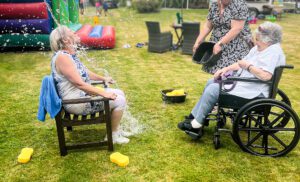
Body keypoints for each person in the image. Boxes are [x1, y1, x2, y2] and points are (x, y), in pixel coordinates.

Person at [179, 22, 285, 136]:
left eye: (258, 40)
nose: (255, 42)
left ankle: (196, 124)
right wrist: (225, 69)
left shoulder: (273, 52)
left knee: (214, 89)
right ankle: (196, 116)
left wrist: (248, 67)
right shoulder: (260, 48)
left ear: (268, 41)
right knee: (212, 81)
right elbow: (241, 63)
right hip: (247, 84)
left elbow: (266, 76)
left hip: (253, 91)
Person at [49, 26, 131, 144]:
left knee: (120, 93)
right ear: (66, 40)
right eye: (70, 31)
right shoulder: (63, 58)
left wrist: (103, 78)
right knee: (120, 100)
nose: (74, 31)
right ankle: (112, 136)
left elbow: (85, 72)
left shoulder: (67, 55)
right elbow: (79, 84)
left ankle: (116, 130)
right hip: (76, 103)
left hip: (81, 97)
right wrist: (104, 93)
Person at [193, 0, 252, 74]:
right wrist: (198, 41)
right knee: (217, 74)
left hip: (235, 46)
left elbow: (237, 28)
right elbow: (208, 26)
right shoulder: (214, 5)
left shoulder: (239, 4)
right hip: (217, 46)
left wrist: (220, 44)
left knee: (229, 74)